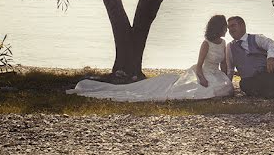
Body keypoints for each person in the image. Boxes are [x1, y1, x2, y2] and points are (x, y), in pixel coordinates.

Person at [66, 15, 234, 102]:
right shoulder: (206, 44)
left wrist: (227, 77)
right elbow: (199, 66)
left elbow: (224, 65)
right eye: (225, 27)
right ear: (218, 28)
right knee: (198, 90)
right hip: (202, 72)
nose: (226, 30)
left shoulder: (223, 43)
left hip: (215, 73)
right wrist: (202, 79)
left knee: (223, 88)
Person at [227, 15, 274, 98]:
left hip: (268, 76)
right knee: (243, 84)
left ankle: (269, 92)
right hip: (250, 80)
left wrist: (271, 57)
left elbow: (272, 44)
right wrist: (228, 87)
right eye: (229, 28)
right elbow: (230, 69)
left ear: (242, 26)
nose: (230, 30)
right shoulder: (230, 47)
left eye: (233, 26)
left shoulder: (256, 38)